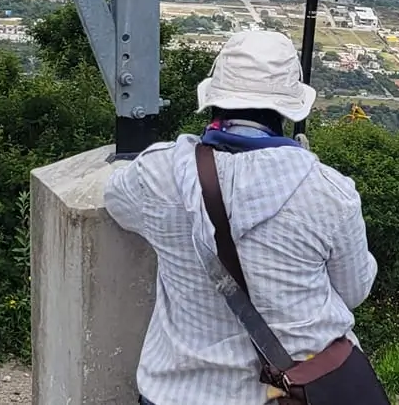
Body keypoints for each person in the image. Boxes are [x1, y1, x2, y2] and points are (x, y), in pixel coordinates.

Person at [104, 28, 377, 405]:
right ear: (288, 108)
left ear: (214, 98)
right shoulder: (328, 191)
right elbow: (353, 291)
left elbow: (116, 200)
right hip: (293, 393)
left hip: (178, 393)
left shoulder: (158, 174)